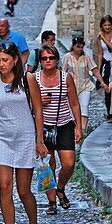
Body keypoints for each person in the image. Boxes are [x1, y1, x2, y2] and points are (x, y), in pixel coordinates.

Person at [0, 41, 47, 224]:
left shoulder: (27, 80)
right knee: (4, 186)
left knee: (23, 190)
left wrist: (39, 140)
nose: (2, 64)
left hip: (25, 137)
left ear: (15, 60)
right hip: (2, 137)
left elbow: (38, 109)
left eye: (5, 60)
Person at [36, 44, 83, 213]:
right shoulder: (34, 79)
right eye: (44, 58)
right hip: (43, 127)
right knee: (48, 165)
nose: (48, 61)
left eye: (51, 58)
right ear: (40, 61)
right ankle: (51, 202)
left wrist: (78, 126)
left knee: (69, 164)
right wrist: (39, 102)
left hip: (64, 124)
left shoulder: (65, 78)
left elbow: (75, 103)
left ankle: (60, 188)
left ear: (56, 60)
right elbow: (28, 105)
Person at [62, 35, 109, 133]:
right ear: (73, 46)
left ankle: (83, 129)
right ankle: (74, 129)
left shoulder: (86, 57)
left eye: (81, 47)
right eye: (77, 47)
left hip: (85, 86)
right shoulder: (67, 57)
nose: (79, 49)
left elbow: (94, 70)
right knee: (72, 108)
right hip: (71, 87)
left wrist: (102, 82)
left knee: (84, 106)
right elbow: (63, 72)